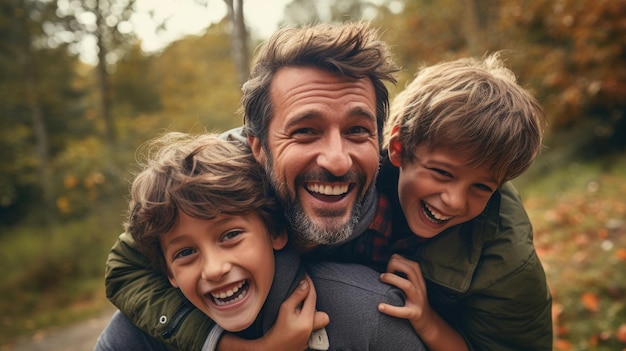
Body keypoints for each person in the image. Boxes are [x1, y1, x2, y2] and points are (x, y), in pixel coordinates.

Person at [96, 21, 404, 350]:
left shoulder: (409, 192)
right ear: (257, 146)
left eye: (357, 130)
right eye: (305, 131)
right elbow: (125, 267)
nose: (338, 160)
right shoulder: (212, 185)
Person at [113, 131, 426, 351]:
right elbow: (122, 268)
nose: (214, 269)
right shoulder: (143, 329)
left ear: (276, 231)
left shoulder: (369, 310)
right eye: (185, 252)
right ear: (168, 272)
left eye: (230, 236)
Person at [372, 54, 552, 350]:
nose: (455, 202)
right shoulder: (354, 174)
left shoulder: (510, 264)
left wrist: (429, 322)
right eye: (442, 173)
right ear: (398, 148)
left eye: (481, 187)